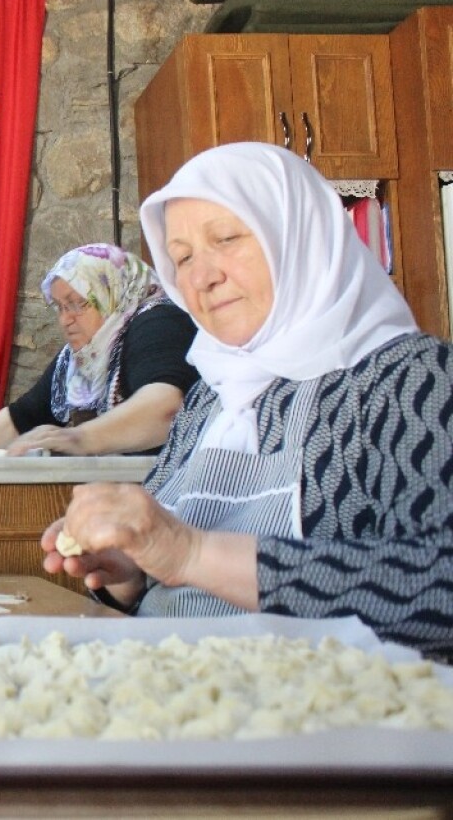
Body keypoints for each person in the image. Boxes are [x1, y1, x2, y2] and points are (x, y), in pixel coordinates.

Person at [41, 142, 453, 660]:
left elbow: (442, 586)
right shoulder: (207, 399)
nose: (202, 276)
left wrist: (195, 554)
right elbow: (165, 588)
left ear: (299, 236)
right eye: (183, 257)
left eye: (227, 239)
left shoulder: (412, 379)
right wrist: (129, 571)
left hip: (333, 724)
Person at [0, 243, 198, 456]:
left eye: (77, 304)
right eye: (60, 307)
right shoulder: (82, 356)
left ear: (112, 293)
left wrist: (78, 437)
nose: (65, 319)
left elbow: (165, 408)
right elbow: (20, 420)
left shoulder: (158, 322)